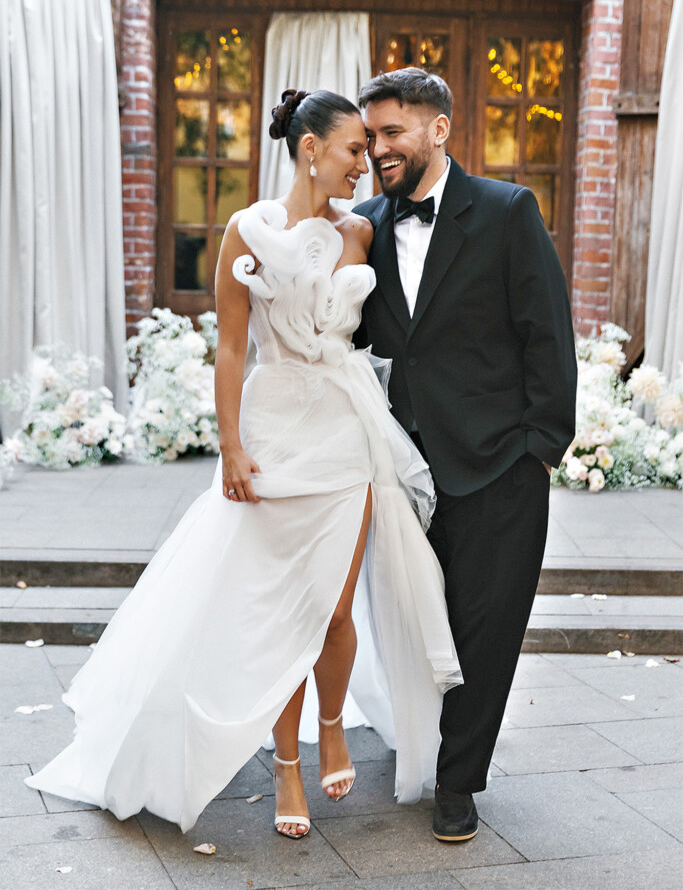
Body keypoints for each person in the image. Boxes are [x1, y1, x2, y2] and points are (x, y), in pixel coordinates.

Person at [25, 88, 461, 840]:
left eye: (368, 150)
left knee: (333, 610)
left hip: (345, 430)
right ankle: (286, 764)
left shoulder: (362, 231)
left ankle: (331, 725)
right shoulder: (246, 230)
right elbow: (230, 348)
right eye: (353, 149)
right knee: (284, 612)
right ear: (309, 149)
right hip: (273, 429)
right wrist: (230, 443)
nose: (365, 163)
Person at [354, 67, 577, 842]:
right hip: (399, 469)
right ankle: (417, 741)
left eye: (392, 132)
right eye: (370, 135)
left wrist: (539, 448)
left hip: (497, 464)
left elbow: (546, 329)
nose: (378, 148)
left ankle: (457, 781)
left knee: (485, 629)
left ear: (438, 128)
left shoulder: (507, 210)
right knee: (413, 622)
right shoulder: (362, 225)